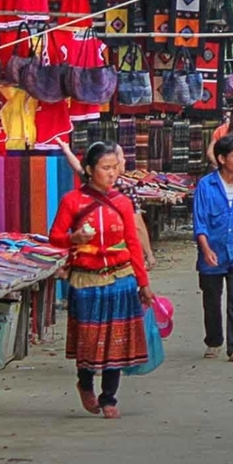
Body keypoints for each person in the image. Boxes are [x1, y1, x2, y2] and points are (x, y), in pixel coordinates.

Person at [49, 141, 154, 419]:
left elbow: (132, 243)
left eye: (114, 168)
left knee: (116, 341)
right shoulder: (72, 201)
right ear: (88, 169)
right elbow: (54, 238)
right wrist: (74, 238)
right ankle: (85, 383)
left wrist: (143, 283)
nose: (112, 174)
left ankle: (109, 397)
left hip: (121, 279)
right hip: (86, 280)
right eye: (105, 168)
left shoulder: (122, 201)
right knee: (89, 340)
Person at [193, 135, 233, 363]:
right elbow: (200, 222)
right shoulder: (206, 186)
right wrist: (205, 249)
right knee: (211, 300)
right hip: (212, 252)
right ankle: (213, 340)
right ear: (222, 159)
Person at [58, 139, 156, 270]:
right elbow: (137, 226)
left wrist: (67, 151)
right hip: (119, 262)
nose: (125, 160)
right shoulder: (124, 188)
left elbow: (79, 168)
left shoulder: (92, 180)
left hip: (89, 267)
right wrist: (148, 254)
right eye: (121, 157)